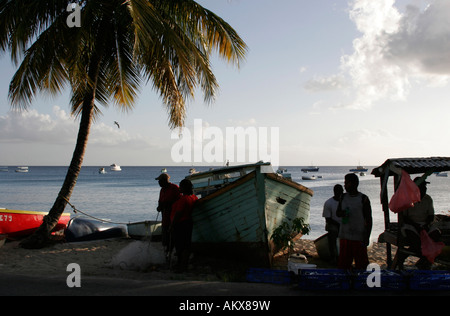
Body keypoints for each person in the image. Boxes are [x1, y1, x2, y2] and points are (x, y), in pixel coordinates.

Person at [400, 177, 441, 269]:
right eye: (423, 187)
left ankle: (422, 258)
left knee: (437, 233)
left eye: (425, 187)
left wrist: (426, 225)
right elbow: (405, 218)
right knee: (413, 238)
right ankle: (424, 257)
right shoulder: (408, 198)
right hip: (411, 225)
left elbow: (431, 215)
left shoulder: (428, 199)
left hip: (425, 224)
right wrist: (416, 226)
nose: (425, 189)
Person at [336, 173, 372, 270]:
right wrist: (342, 213)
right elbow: (338, 213)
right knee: (343, 265)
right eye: (345, 183)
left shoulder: (363, 199)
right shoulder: (342, 197)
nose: (345, 185)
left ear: (354, 184)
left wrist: (367, 236)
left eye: (347, 183)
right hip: (345, 235)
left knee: (361, 264)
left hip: (358, 237)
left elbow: (369, 219)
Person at [170, 179, 198, 271]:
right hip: (188, 222)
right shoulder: (193, 197)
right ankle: (183, 264)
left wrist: (172, 225)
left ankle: (180, 265)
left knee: (180, 245)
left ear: (184, 188)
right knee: (186, 244)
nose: (179, 188)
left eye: (180, 186)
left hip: (180, 223)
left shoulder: (184, 199)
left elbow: (178, 213)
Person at [156, 173, 180, 256]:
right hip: (165, 218)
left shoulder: (174, 188)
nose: (158, 183)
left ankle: (174, 254)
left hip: (173, 218)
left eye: (159, 181)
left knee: (173, 237)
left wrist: (168, 204)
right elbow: (160, 201)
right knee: (165, 239)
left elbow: (179, 202)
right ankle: (166, 255)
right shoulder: (162, 190)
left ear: (164, 181)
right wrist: (159, 207)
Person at [322, 184, 344, 264]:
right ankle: (333, 256)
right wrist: (338, 225)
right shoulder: (329, 203)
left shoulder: (346, 202)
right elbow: (328, 219)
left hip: (344, 224)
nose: (340, 194)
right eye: (338, 192)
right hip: (333, 224)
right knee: (333, 232)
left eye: (341, 192)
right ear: (334, 192)